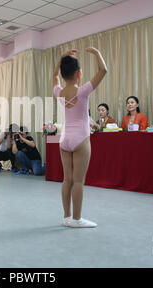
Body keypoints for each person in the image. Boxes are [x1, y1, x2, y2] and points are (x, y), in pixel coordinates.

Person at [53, 48, 107, 228]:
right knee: (78, 181)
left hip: (64, 139)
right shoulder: (83, 91)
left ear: (62, 73)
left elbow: (54, 78)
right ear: (79, 73)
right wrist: (97, 53)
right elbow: (103, 71)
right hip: (81, 138)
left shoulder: (58, 92)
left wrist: (60, 59)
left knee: (67, 180)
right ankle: (76, 219)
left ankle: (66, 216)